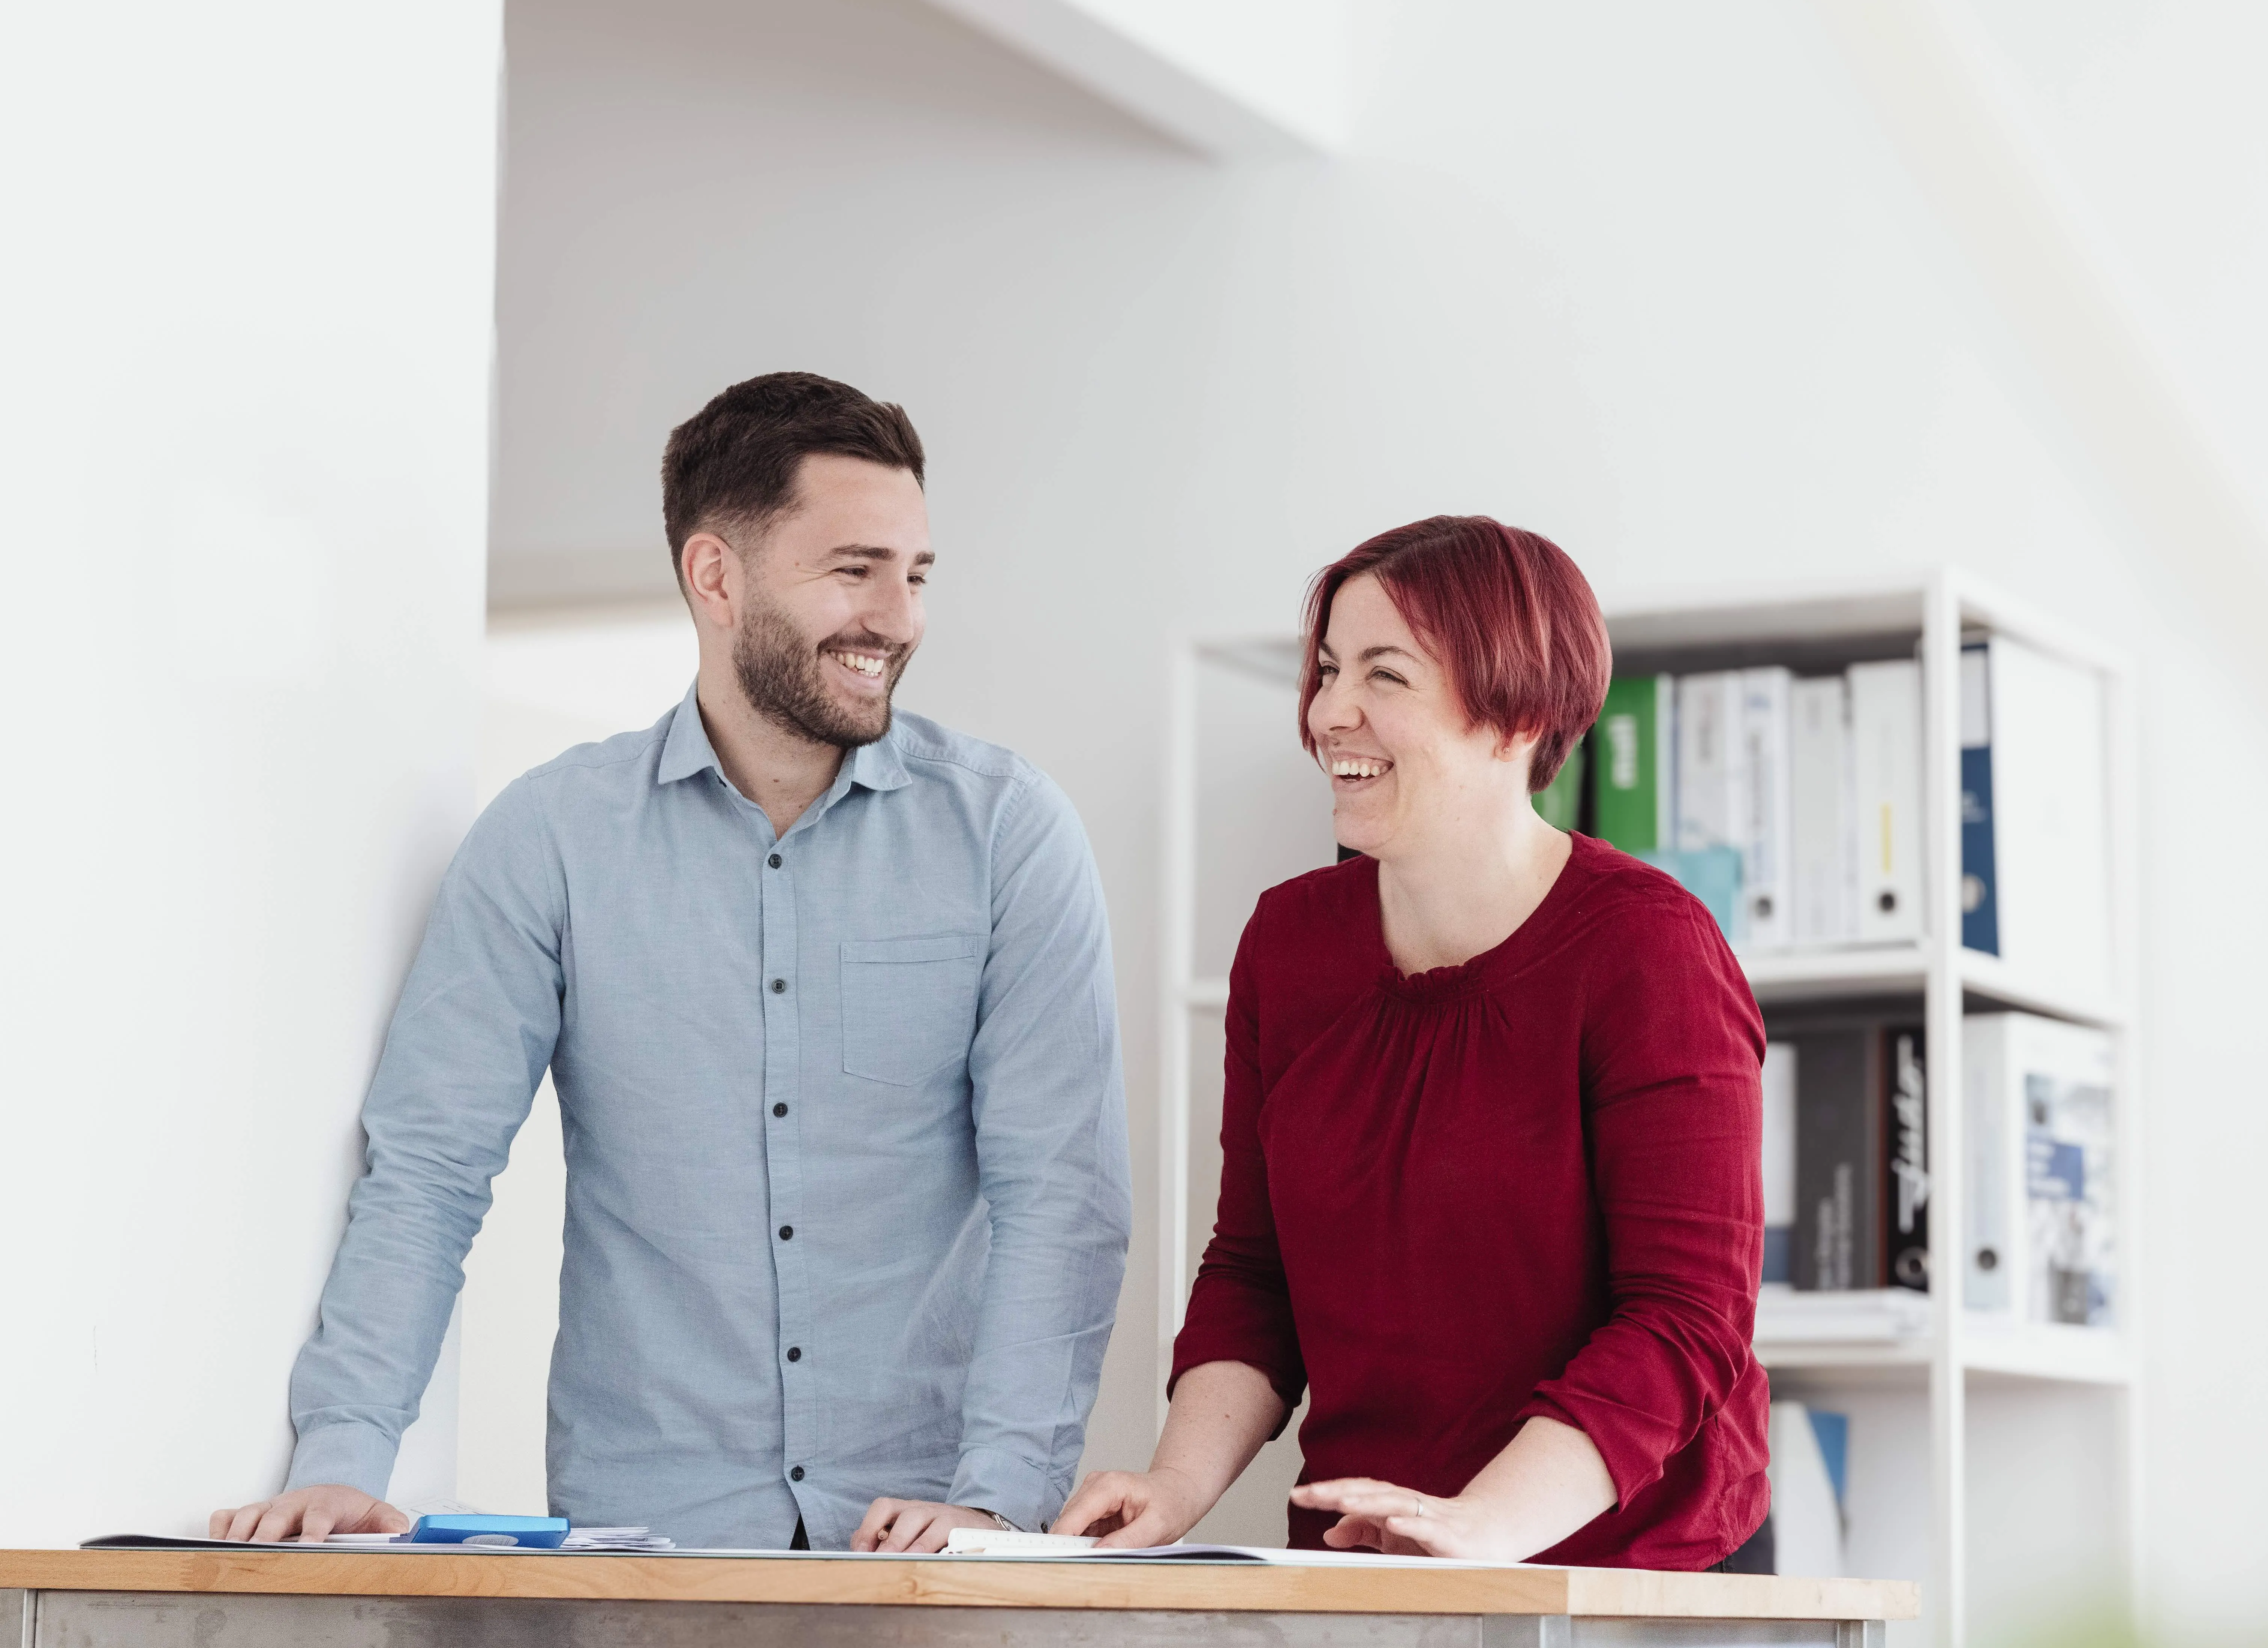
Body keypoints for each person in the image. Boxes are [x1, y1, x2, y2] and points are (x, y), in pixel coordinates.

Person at [210, 373, 1129, 1552]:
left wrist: (999, 1496)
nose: (897, 619)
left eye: (916, 574)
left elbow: (1063, 1192)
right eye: (854, 570)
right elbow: (430, 1168)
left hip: (933, 1544)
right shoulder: (550, 837)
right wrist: (343, 1456)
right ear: (715, 576)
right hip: (645, 1539)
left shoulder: (1007, 829)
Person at [1057, 515, 1771, 1570]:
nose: (1328, 712)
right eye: (1329, 667)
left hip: (1628, 1570)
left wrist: (1484, 1525)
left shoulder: (1647, 952)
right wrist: (1173, 1488)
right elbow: (1254, 1274)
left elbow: (1683, 1319)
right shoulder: (1289, 943)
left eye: (1384, 675)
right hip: (1368, 1561)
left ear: (1516, 710)